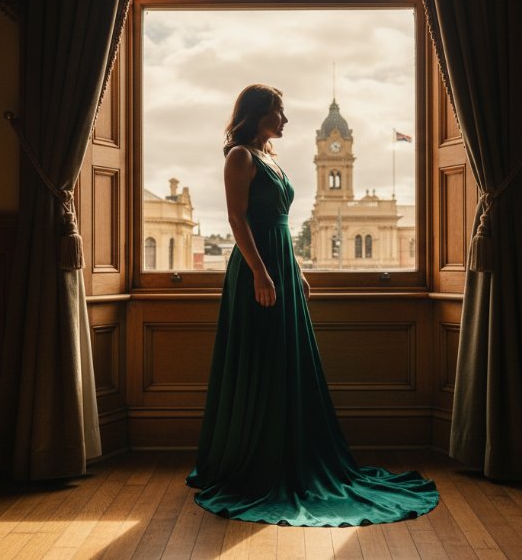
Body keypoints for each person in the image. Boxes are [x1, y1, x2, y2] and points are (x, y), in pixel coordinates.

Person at [185, 84, 439, 527]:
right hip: (256, 269)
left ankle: (290, 455)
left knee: (287, 363)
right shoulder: (240, 157)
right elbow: (236, 219)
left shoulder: (271, 158)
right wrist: (262, 274)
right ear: (257, 114)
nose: (284, 120)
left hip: (280, 263)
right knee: (260, 362)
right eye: (277, 112)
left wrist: (294, 268)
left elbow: (278, 224)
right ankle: (253, 461)